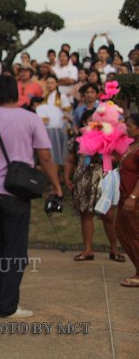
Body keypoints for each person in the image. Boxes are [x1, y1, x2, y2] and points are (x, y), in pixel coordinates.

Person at [0, 75, 62, 318]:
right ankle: (7, 305)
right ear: (16, 93)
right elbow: (45, 157)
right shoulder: (31, 119)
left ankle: (0, 296)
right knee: (16, 251)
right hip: (16, 192)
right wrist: (56, 185)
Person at [64, 109, 123, 262]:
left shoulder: (112, 138)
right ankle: (88, 250)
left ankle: (114, 249)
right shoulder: (77, 139)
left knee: (109, 215)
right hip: (84, 178)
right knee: (86, 213)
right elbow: (70, 160)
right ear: (85, 123)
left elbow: (120, 158)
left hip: (105, 177)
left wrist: (106, 147)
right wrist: (67, 177)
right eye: (91, 121)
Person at [117, 113, 139, 287]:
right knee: (122, 232)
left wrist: (133, 197)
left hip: (134, 199)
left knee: (135, 234)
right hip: (124, 197)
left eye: (130, 125)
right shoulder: (133, 145)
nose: (127, 128)